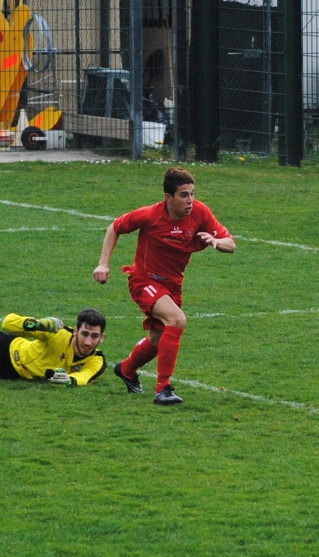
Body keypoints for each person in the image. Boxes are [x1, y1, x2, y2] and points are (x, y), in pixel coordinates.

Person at [93, 167, 235, 405]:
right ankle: (163, 389)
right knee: (177, 321)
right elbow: (115, 227)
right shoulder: (150, 216)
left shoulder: (200, 213)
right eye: (183, 195)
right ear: (168, 197)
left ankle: (127, 369)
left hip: (173, 285)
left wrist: (216, 241)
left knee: (159, 339)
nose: (190, 200)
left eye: (192, 193)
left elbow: (231, 244)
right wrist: (103, 264)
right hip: (144, 280)